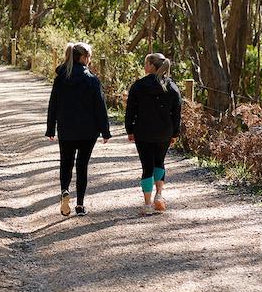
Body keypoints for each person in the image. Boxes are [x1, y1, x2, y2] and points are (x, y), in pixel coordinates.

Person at [45, 41, 111, 217]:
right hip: (88, 131)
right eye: (89, 57)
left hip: (66, 128)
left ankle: (65, 191)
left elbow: (54, 105)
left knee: (66, 163)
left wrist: (51, 128)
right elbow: (100, 107)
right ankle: (80, 205)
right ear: (83, 58)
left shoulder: (61, 79)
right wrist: (105, 131)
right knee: (82, 166)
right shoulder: (92, 80)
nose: (90, 60)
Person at [125, 53, 182, 215]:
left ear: (151, 66)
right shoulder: (172, 87)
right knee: (159, 162)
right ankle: (159, 195)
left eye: (146, 63)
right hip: (165, 132)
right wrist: (175, 133)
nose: (144, 66)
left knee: (146, 166)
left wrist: (129, 129)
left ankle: (147, 204)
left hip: (143, 132)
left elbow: (130, 110)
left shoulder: (138, 86)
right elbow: (177, 112)